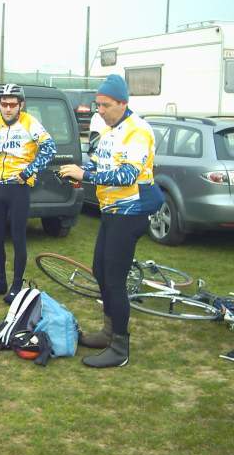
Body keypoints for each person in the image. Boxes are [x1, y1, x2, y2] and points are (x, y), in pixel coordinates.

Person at [59, 74, 163, 368]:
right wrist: (79, 168)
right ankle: (107, 332)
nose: (99, 111)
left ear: (123, 103)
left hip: (130, 213)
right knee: (100, 271)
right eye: (97, 105)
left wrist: (86, 175)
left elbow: (127, 175)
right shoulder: (109, 129)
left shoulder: (138, 131)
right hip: (111, 212)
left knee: (114, 280)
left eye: (104, 105)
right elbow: (102, 163)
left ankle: (120, 348)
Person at [0, 84, 56, 304]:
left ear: (21, 105)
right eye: (4, 104)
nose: (8, 108)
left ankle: (17, 285)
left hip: (19, 187)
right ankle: (0, 282)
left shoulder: (29, 122)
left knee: (18, 238)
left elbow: (49, 147)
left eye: (12, 104)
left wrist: (29, 171)